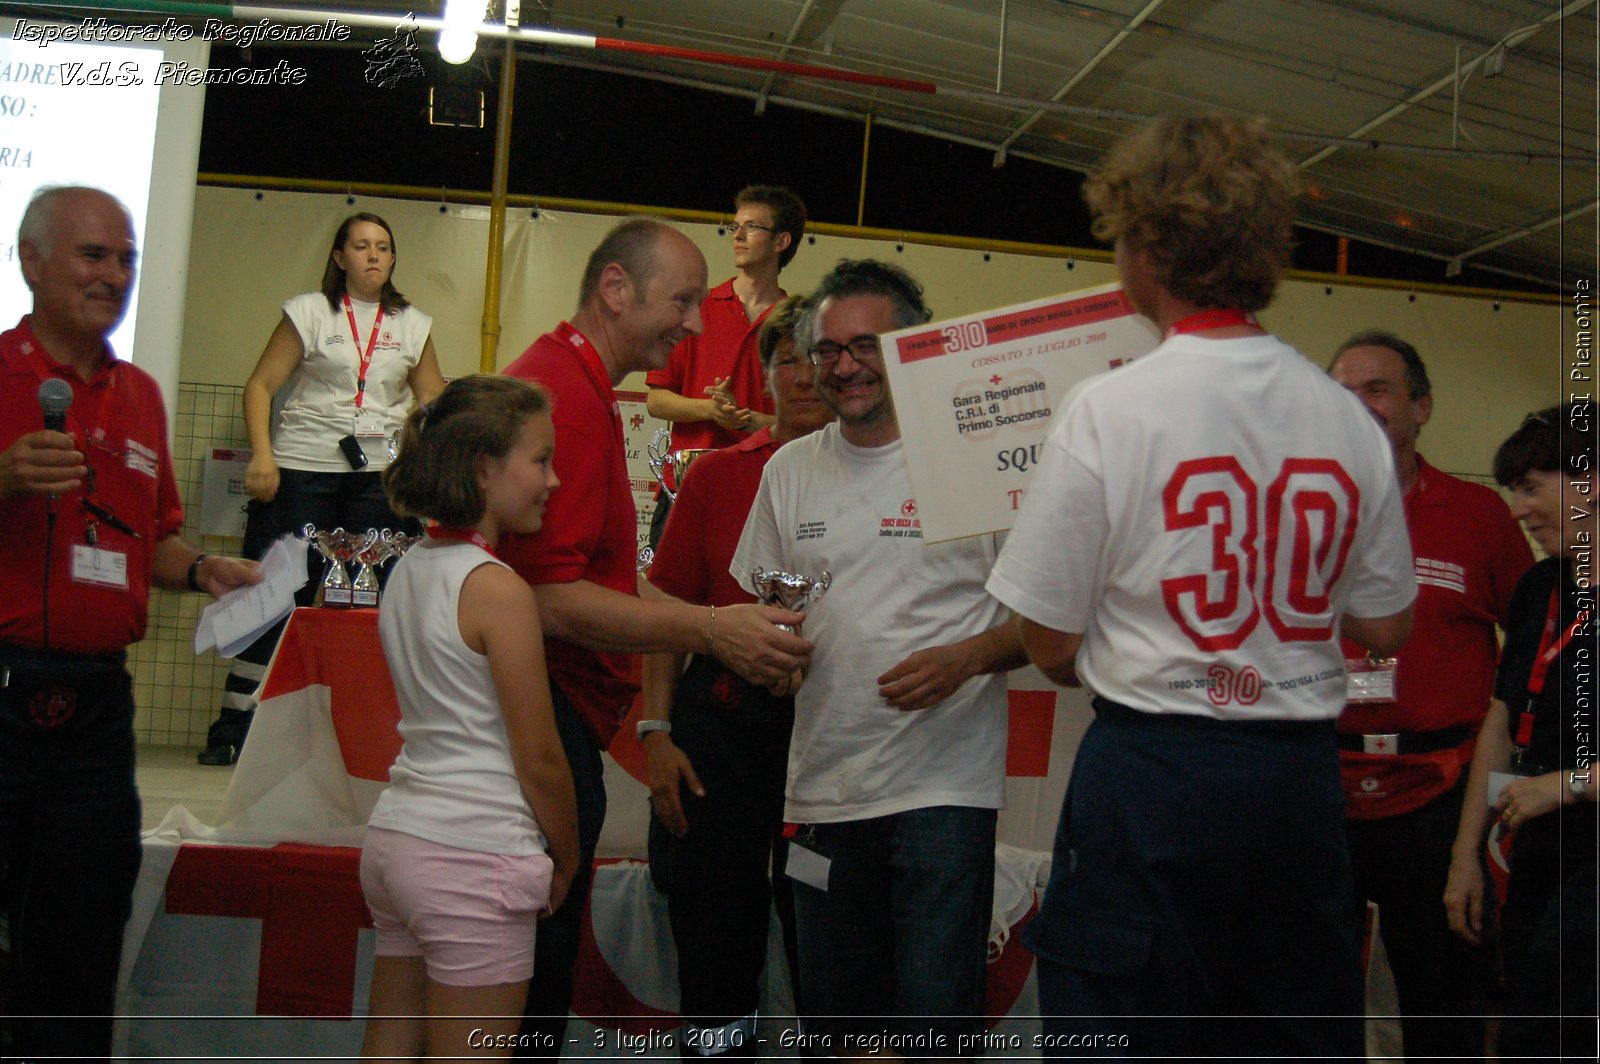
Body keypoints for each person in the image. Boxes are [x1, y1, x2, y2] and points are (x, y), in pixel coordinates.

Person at [985, 116, 1417, 1058]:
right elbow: (1385, 622)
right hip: (1298, 782)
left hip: (1155, 777)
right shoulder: (1344, 418)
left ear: (1146, 247)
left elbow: (1047, 640)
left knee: (1126, 1021)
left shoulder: (1111, 406)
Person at [497, 218, 813, 1056]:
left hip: (572, 720)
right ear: (614, 290)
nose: (695, 325)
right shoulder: (559, 395)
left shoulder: (580, 390)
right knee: (524, 970)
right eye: (680, 300)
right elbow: (552, 598)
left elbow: (594, 585)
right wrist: (709, 629)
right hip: (550, 719)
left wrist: (700, 626)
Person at [729, 259, 1026, 1054]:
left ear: (914, 350)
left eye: (867, 345)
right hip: (824, 790)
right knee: (837, 1028)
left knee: (930, 1030)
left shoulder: (978, 458)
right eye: (827, 350)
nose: (844, 366)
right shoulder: (790, 471)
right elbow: (771, 611)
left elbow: (1055, 621)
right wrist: (772, 654)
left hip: (943, 793)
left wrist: (967, 657)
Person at [0, 185, 261, 1061]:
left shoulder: (142, 395)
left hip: (98, 706)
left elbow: (150, 536)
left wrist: (200, 568)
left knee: (81, 937)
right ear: (31, 261)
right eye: (92, 255)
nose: (114, 274)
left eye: (125, 257)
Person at [359, 375, 579, 1060]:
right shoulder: (497, 590)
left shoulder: (408, 570)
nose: (555, 479)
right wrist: (567, 856)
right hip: (471, 855)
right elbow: (539, 756)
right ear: (485, 469)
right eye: (540, 460)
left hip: (398, 841)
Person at [1326, 330, 1533, 1058]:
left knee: (1444, 1000)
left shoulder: (1479, 517)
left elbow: (1532, 654)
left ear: (1423, 406)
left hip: (1442, 798)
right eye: (1342, 393)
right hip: (1324, 785)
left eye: (1377, 389)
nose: (1359, 406)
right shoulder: (1299, 513)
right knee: (1314, 1002)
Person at [640, 294, 832, 1057]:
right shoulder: (716, 476)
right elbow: (665, 613)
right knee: (714, 912)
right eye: (788, 358)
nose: (805, 373)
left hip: (831, 736)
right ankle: (718, 1043)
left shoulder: (886, 482)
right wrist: (657, 731)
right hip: (719, 731)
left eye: (819, 356)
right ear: (766, 376)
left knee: (824, 920)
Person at [198, 212, 446, 766]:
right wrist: (262, 455)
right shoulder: (309, 311)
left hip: (379, 478)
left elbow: (431, 405)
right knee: (272, 594)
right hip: (301, 469)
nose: (374, 256)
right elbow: (261, 385)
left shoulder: (414, 323)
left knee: (375, 601)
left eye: (384, 246)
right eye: (361, 246)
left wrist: (429, 476)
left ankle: (367, 732)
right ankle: (235, 728)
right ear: (339, 257)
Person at [1445, 403, 1598, 1060]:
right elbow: (1504, 719)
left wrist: (1567, 786)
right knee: (1525, 1024)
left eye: (1533, 487)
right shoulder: (1542, 585)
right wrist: (1465, 855)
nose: (1519, 510)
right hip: (1539, 848)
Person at [644, 186, 806, 545]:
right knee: (668, 600)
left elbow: (806, 425)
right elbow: (656, 401)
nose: (739, 236)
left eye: (752, 227)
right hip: (685, 492)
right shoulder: (695, 308)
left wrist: (751, 421)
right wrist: (711, 410)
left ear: (781, 241)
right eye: (735, 226)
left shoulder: (798, 323)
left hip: (762, 496)